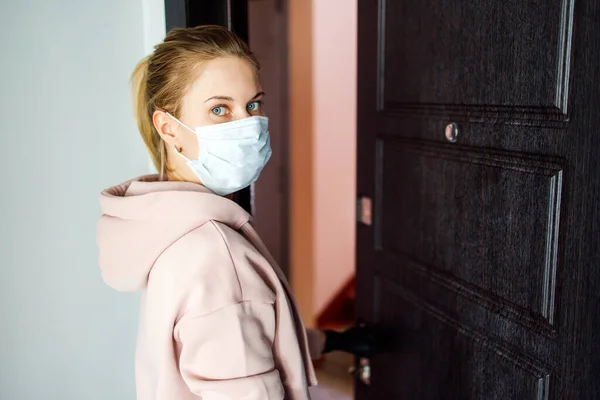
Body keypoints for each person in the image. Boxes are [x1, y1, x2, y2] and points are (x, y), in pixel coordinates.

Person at [96, 25, 377, 400]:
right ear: (168, 127)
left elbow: (243, 332)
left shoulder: (165, 230)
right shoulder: (217, 255)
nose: (246, 125)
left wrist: (329, 341)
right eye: (219, 109)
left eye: (253, 105)